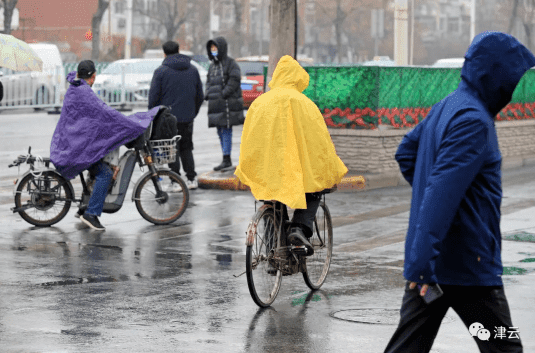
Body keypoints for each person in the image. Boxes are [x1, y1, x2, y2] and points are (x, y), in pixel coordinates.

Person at [384, 31, 535, 353]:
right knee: (505, 348)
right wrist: (423, 260)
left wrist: (424, 257)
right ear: (497, 74)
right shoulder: (474, 121)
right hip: (467, 265)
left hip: (434, 262)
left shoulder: (449, 106)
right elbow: (440, 191)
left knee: (407, 348)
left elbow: (407, 153)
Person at [235, 55, 347, 254]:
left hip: (267, 168)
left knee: (271, 200)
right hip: (295, 169)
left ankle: (272, 252)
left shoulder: (260, 103)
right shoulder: (305, 104)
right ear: (298, 78)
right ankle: (299, 228)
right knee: (315, 189)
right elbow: (319, 142)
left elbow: (249, 137)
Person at [50, 60, 162, 231]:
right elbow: (103, 112)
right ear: (93, 76)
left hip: (72, 144)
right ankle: (91, 214)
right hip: (76, 149)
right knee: (105, 174)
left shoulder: (76, 87)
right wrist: (126, 123)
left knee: (99, 164)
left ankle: (83, 208)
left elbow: (96, 114)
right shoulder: (83, 92)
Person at [148, 41, 204, 190]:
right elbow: (200, 95)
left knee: (171, 149)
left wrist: (153, 115)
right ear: (178, 50)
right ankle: (192, 179)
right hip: (187, 117)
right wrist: (193, 112)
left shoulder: (161, 71)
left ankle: (175, 181)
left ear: (164, 53)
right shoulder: (192, 70)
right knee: (187, 147)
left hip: (167, 118)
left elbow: (153, 97)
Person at [205, 36, 244, 171]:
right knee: (220, 130)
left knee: (226, 130)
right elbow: (208, 82)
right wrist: (207, 93)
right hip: (215, 105)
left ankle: (226, 158)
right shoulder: (213, 66)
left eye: (215, 48)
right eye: (211, 48)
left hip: (227, 104)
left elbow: (234, 79)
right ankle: (224, 156)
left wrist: (224, 93)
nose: (213, 50)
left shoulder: (231, 63)